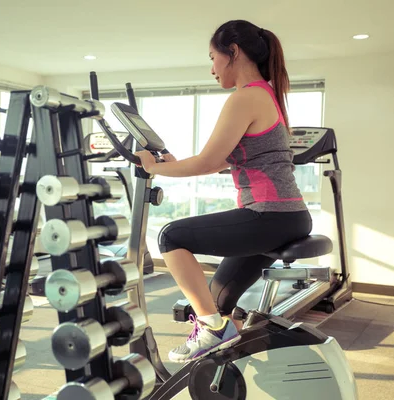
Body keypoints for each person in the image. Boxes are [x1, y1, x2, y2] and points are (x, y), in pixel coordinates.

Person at [134, 20, 313, 363]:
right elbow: (222, 161)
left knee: (172, 237)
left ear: (233, 53)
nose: (212, 69)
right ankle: (222, 362)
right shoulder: (266, 95)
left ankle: (212, 330)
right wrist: (170, 164)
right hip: (286, 217)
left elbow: (206, 162)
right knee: (216, 301)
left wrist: (153, 167)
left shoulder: (245, 98)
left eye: (213, 57)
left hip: (269, 216)